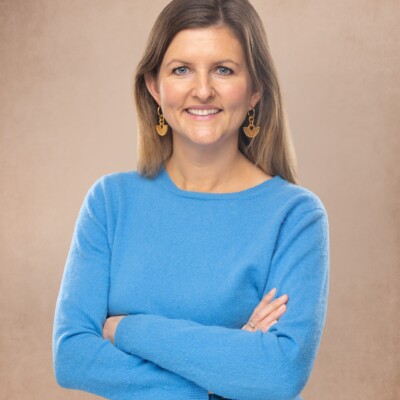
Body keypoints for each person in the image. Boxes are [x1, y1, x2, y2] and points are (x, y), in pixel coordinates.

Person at [52, 0, 329, 399]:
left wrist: (127, 328)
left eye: (223, 70)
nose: (202, 90)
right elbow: (73, 357)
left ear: (255, 90)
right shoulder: (110, 203)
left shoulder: (296, 216)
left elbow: (279, 373)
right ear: (154, 86)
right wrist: (227, 378)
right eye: (181, 69)